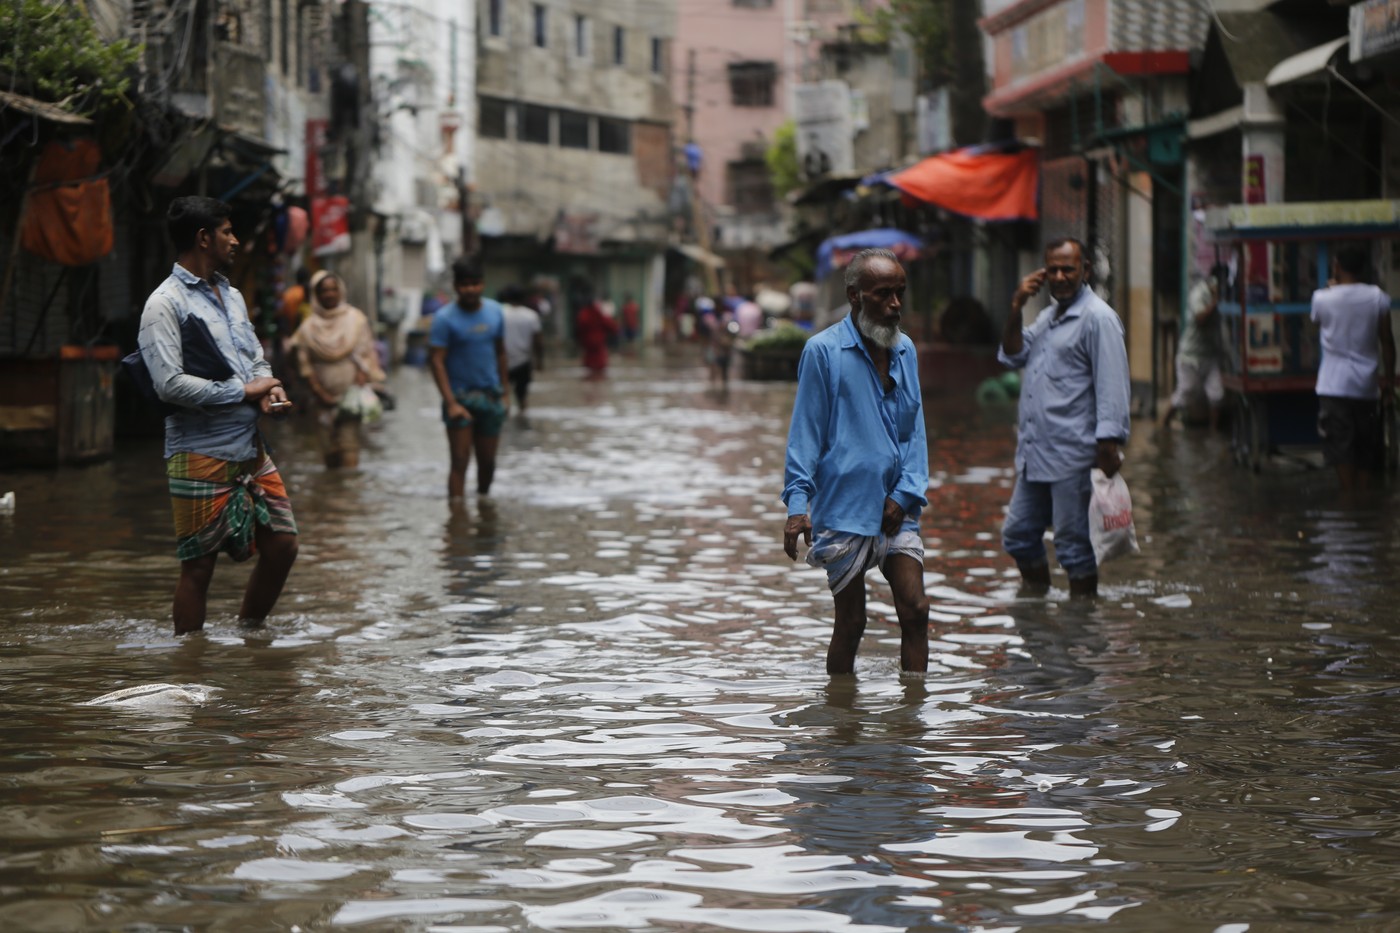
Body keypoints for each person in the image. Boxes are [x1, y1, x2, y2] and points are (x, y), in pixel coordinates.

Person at [137, 195, 298, 635]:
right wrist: (246, 390)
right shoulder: (164, 304)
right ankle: (190, 666)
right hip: (198, 451)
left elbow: (255, 360)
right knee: (199, 569)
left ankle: (249, 634)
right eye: (227, 231)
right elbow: (168, 384)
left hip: (249, 447)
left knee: (283, 546)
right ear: (204, 238)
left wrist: (271, 389)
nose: (235, 239)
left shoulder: (232, 296)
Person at [782, 248, 930, 676]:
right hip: (845, 510)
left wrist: (905, 494)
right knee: (851, 623)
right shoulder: (822, 352)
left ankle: (911, 723)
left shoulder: (906, 351)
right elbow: (804, 437)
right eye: (883, 294)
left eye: (900, 293)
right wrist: (797, 508)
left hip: (897, 508)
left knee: (916, 608)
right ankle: (841, 727)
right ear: (855, 297)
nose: (895, 304)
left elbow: (915, 432)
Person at [998, 237, 1131, 598]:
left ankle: (1080, 629)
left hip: (1073, 455)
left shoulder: (1098, 319)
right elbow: (1012, 355)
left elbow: (1112, 385)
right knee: (1019, 535)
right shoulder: (1048, 316)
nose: (1059, 276)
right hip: (1035, 455)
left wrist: (1109, 444)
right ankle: (1038, 609)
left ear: (1085, 270)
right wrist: (1016, 305)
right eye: (1052, 269)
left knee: (1073, 547)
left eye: (1067, 269)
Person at [1311, 247, 1396, 491]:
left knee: (1340, 445)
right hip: (1366, 386)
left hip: (1333, 385)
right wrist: (1388, 383)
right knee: (1364, 445)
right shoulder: (1378, 297)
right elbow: (1387, 342)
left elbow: (1317, 321)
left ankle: (1349, 501)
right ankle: (1362, 499)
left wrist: (1331, 288)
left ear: (1336, 266)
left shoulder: (1322, 298)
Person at [429, 256, 510, 500]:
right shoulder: (444, 319)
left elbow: (501, 353)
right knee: (460, 460)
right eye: (465, 284)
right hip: (460, 398)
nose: (470, 289)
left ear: (483, 284)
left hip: (490, 395)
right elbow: (436, 361)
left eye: (475, 283)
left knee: (487, 462)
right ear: (455, 286)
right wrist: (451, 402)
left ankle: (484, 509)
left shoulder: (495, 312)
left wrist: (505, 392)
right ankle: (457, 521)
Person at [289, 270, 386, 469]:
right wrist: (320, 392)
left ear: (340, 291)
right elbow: (304, 364)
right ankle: (334, 495)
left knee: (349, 448)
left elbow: (366, 353)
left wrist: (358, 382)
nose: (330, 294)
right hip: (321, 400)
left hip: (350, 397)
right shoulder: (308, 328)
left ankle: (348, 497)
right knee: (329, 454)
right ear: (316, 295)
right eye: (324, 291)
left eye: (334, 289)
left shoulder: (355, 319)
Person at [1161, 269, 1227, 430]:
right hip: (1190, 356)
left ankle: (1213, 432)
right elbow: (1200, 318)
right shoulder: (1199, 294)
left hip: (1210, 354)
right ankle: (1163, 425)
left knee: (1216, 395)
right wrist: (1215, 302)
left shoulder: (1221, 296)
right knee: (1185, 393)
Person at [501, 286, 544, 416]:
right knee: (522, 397)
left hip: (503, 361)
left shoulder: (501, 314)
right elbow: (538, 341)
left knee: (503, 394)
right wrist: (539, 361)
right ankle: (522, 420)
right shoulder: (531, 315)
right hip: (523, 361)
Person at [575, 294, 619, 379]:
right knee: (600, 368)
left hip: (588, 345)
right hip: (598, 344)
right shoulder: (599, 313)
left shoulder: (583, 314)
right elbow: (611, 326)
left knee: (589, 369)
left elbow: (579, 328)